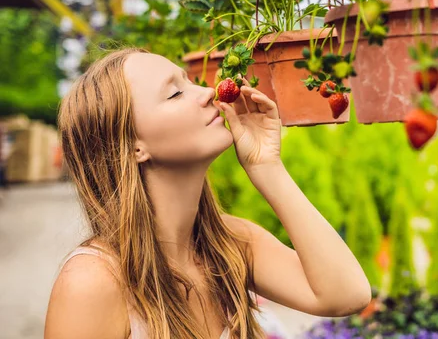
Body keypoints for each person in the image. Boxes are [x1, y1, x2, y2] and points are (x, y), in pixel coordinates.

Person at [44, 48, 371, 339]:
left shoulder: (232, 243)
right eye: (174, 94)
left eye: (190, 82)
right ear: (132, 146)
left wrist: (266, 166)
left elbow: (346, 295)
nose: (206, 92)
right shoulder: (92, 283)